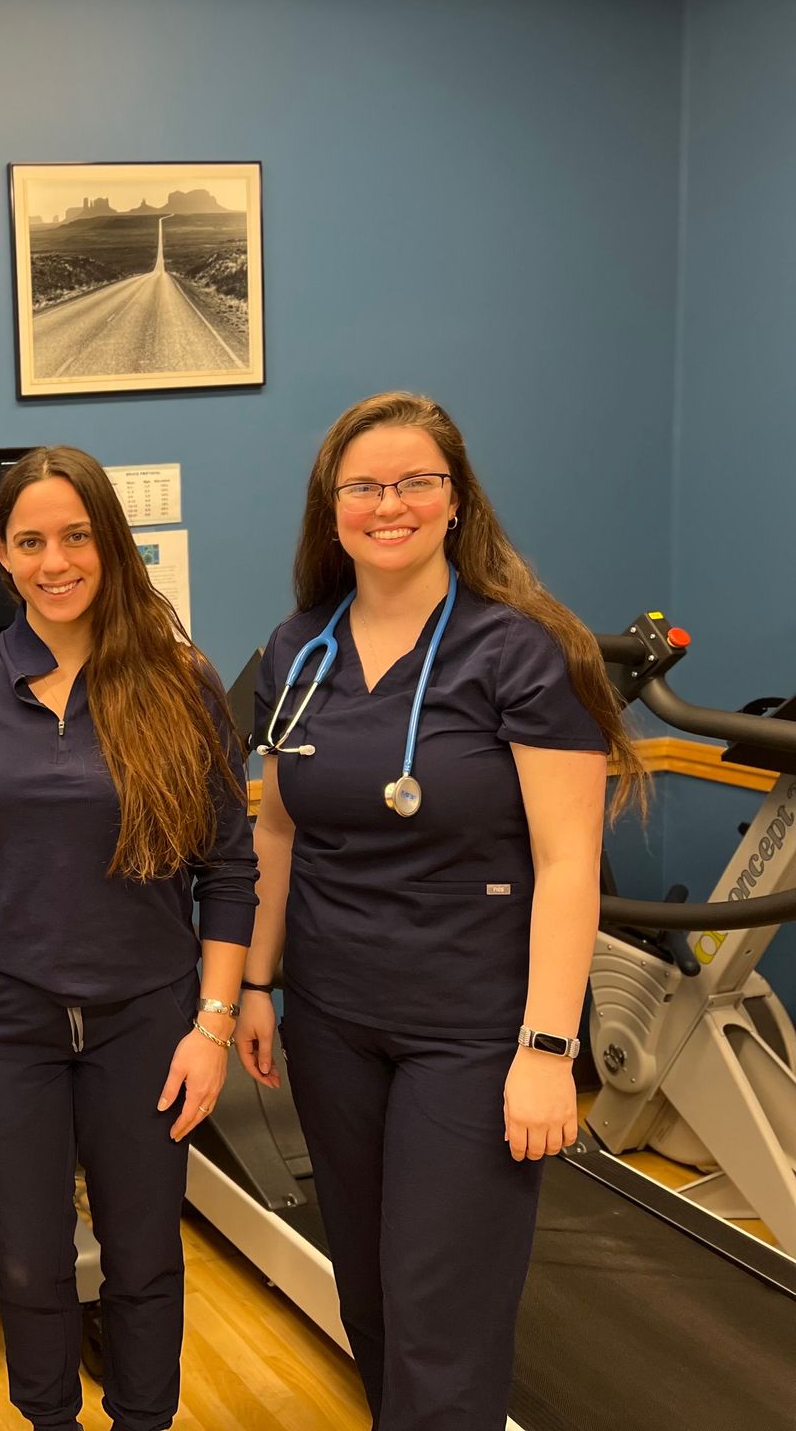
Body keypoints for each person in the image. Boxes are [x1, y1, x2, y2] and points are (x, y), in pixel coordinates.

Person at [237, 391, 642, 1430]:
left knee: (441, 1310)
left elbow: (567, 865)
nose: (390, 504)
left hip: (471, 1029)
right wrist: (252, 984)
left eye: (416, 481)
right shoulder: (300, 652)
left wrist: (548, 1048)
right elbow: (277, 832)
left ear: (455, 501)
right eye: (364, 485)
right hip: (334, 1021)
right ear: (332, 508)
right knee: (369, 1298)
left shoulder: (520, 652)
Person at [0, 445, 258, 1431]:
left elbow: (230, 871)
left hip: (150, 1016)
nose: (56, 562)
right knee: (26, 1258)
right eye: (31, 542)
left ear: (111, 544)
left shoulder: (181, 680)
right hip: (2, 1017)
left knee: (144, 1256)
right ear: (0, 555)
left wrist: (213, 1027)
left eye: (76, 536)